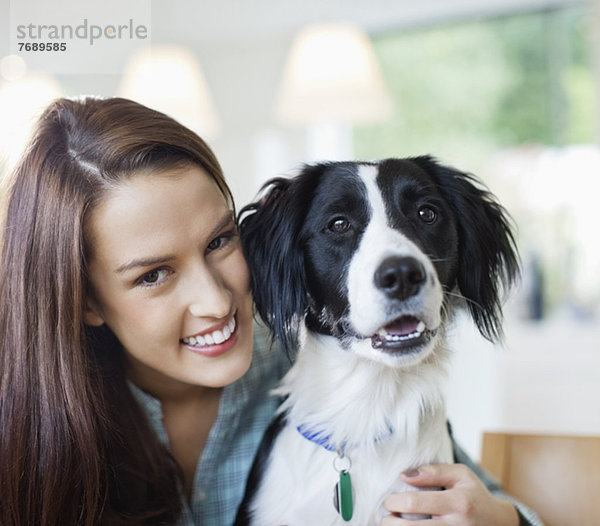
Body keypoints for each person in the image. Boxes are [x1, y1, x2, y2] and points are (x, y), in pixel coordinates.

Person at [0, 96, 541, 526]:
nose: (216, 303)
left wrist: (502, 521)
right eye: (153, 275)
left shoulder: (321, 366)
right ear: (86, 300)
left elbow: (484, 503)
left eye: (219, 241)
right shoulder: (34, 426)